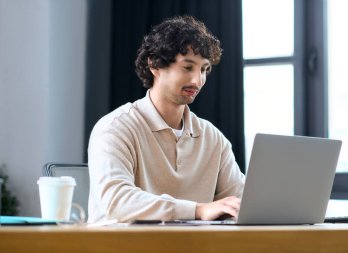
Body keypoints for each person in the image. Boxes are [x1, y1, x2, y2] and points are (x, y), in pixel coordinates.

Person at [87, 15, 245, 223]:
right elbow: (117, 202)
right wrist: (198, 210)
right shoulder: (115, 128)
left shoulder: (213, 138)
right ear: (154, 65)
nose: (198, 80)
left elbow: (241, 200)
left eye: (204, 69)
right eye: (188, 67)